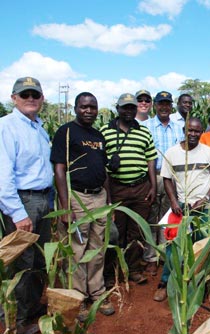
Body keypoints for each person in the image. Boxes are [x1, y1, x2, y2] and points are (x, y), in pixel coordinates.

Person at [51, 92, 115, 318]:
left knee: (97, 249)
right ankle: (79, 298)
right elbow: (59, 169)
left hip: (99, 198)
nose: (88, 111)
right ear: (76, 108)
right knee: (77, 250)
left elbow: (103, 167)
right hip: (77, 198)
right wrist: (66, 205)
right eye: (84, 107)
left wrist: (108, 200)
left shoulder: (98, 135)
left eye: (93, 107)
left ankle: (97, 292)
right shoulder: (65, 132)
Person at [0, 77, 52, 333]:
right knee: (23, 261)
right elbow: (3, 174)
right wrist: (17, 212)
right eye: (25, 94)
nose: (30, 98)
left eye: (35, 94)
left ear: (41, 98)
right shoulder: (6, 127)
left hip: (44, 198)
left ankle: (32, 308)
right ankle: (19, 322)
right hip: (24, 201)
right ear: (14, 98)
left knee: (40, 259)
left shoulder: (38, 127)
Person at [154, 117, 210, 301]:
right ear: (184, 131)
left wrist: (206, 198)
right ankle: (165, 283)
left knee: (203, 247)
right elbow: (167, 179)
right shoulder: (172, 152)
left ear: (201, 132)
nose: (193, 134)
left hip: (205, 208)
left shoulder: (208, 152)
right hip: (180, 208)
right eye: (189, 130)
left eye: (197, 131)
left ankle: (201, 282)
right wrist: (174, 202)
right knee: (173, 247)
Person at [100, 93, 157, 285]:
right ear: (118, 109)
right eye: (125, 107)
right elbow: (102, 166)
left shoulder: (143, 132)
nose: (128, 111)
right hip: (117, 189)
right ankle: (112, 272)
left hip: (141, 188)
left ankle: (133, 268)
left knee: (137, 230)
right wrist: (107, 196)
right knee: (115, 232)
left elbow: (151, 160)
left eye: (132, 107)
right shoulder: (105, 132)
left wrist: (152, 186)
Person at [141, 91, 184, 277]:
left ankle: (166, 255)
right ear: (155, 105)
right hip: (153, 176)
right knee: (151, 216)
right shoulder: (145, 126)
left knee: (169, 217)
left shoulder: (178, 128)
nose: (164, 107)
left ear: (171, 106)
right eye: (161, 103)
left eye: (167, 104)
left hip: (173, 178)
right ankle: (151, 257)